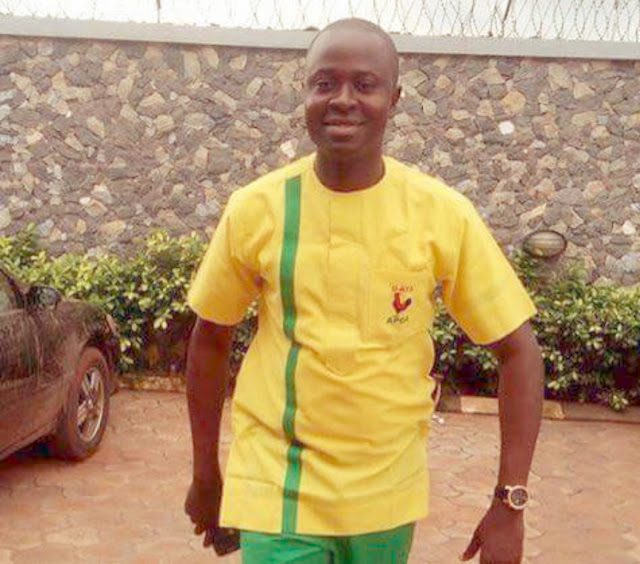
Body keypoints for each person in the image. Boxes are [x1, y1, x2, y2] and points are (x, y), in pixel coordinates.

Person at [184, 17, 544, 564]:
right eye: (324, 83)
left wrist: (509, 503)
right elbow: (210, 337)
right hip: (278, 483)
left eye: (365, 84)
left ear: (394, 98)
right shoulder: (257, 208)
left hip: (386, 494)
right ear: (305, 93)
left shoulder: (440, 214)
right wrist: (207, 474)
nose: (343, 100)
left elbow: (518, 351)